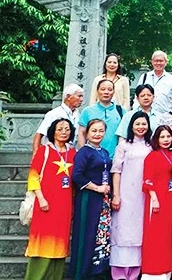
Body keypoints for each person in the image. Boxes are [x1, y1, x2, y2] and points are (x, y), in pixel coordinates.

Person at [24, 118, 76, 280]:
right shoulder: (44, 150)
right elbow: (33, 177)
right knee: (42, 244)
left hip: (65, 205)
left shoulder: (73, 153)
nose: (63, 132)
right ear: (52, 131)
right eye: (60, 129)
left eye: (67, 129)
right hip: (45, 204)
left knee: (60, 244)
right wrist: (41, 198)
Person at [109, 112, 153, 280]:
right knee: (122, 230)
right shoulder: (124, 145)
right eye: (137, 124)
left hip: (143, 196)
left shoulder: (151, 146)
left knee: (140, 231)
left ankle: (135, 273)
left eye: (144, 124)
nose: (141, 127)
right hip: (126, 194)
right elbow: (116, 171)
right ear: (131, 126)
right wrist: (116, 195)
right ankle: (119, 274)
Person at [69, 119, 112, 279]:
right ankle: (82, 272)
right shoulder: (83, 152)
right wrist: (97, 187)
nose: (97, 134)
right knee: (86, 235)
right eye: (94, 131)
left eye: (101, 131)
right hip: (88, 198)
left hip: (103, 201)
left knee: (101, 235)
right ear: (87, 133)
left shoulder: (104, 152)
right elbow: (77, 176)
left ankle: (98, 270)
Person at [141, 125, 172, 280]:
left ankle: (167, 270)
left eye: (168, 136)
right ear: (156, 139)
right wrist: (154, 199)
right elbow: (147, 180)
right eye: (162, 137)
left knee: (168, 235)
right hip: (157, 200)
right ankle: (152, 272)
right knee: (155, 235)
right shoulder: (152, 156)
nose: (165, 140)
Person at [78, 78, 124, 157]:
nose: (106, 92)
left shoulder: (121, 111)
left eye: (110, 89)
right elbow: (82, 133)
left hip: (115, 158)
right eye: (103, 89)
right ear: (97, 91)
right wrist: (82, 154)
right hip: (91, 158)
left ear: (113, 92)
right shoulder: (87, 111)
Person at [32, 83, 83, 155]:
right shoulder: (54, 113)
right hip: (53, 153)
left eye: (82, 96)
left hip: (70, 153)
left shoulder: (78, 115)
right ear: (68, 97)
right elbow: (39, 134)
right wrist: (35, 154)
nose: (81, 99)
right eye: (79, 96)